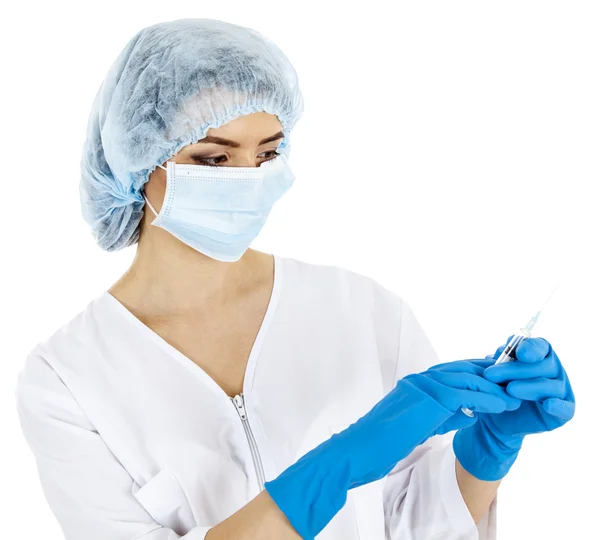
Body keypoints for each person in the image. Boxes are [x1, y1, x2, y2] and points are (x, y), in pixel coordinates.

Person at [14, 18, 575, 540]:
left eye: (268, 152)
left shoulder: (363, 309)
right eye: (213, 158)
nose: (249, 181)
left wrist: (487, 451)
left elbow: (415, 524)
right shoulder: (66, 379)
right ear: (136, 161)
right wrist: (338, 465)